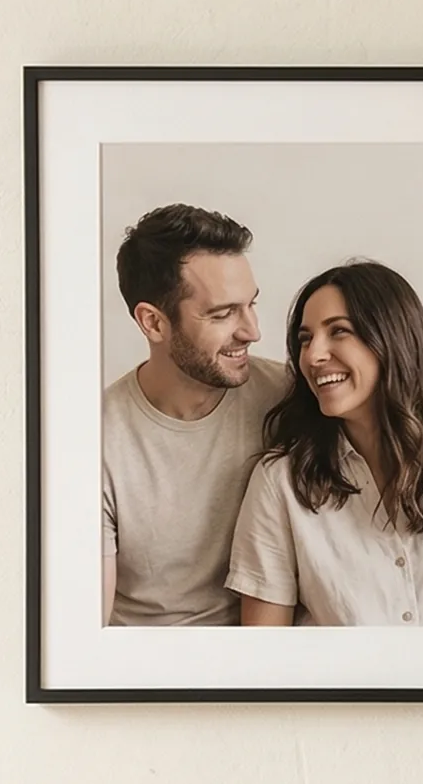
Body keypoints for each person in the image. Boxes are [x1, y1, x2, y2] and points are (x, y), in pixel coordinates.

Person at [102, 203, 290, 625]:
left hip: (267, 652)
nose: (252, 331)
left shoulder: (287, 399)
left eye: (251, 305)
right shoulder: (97, 440)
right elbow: (84, 627)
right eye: (223, 314)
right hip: (150, 659)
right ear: (153, 323)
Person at [227, 260, 423, 627]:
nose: (313, 356)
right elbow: (264, 652)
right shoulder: (281, 483)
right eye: (305, 339)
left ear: (392, 337)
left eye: (339, 331)